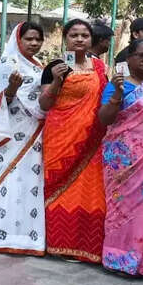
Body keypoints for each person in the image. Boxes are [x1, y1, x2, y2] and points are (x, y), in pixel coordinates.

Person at [39, 19, 108, 263]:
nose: (79, 39)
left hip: (92, 140)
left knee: (90, 192)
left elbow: (105, 99)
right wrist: (57, 81)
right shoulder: (54, 66)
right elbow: (44, 104)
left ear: (91, 40)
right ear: (65, 39)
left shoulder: (99, 67)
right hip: (61, 137)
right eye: (74, 35)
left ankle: (86, 245)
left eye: (84, 35)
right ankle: (58, 243)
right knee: (58, 188)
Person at [97, 39, 143, 276]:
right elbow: (104, 119)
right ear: (129, 58)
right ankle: (117, 258)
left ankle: (142, 260)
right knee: (121, 209)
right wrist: (117, 94)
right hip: (122, 161)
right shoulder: (118, 85)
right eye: (141, 55)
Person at [0, 22, 47, 256]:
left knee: (32, 184)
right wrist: (11, 89)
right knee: (9, 182)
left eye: (38, 39)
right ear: (18, 40)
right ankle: (3, 235)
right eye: (29, 39)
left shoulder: (39, 65)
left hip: (35, 133)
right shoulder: (7, 64)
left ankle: (31, 239)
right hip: (11, 136)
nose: (34, 43)